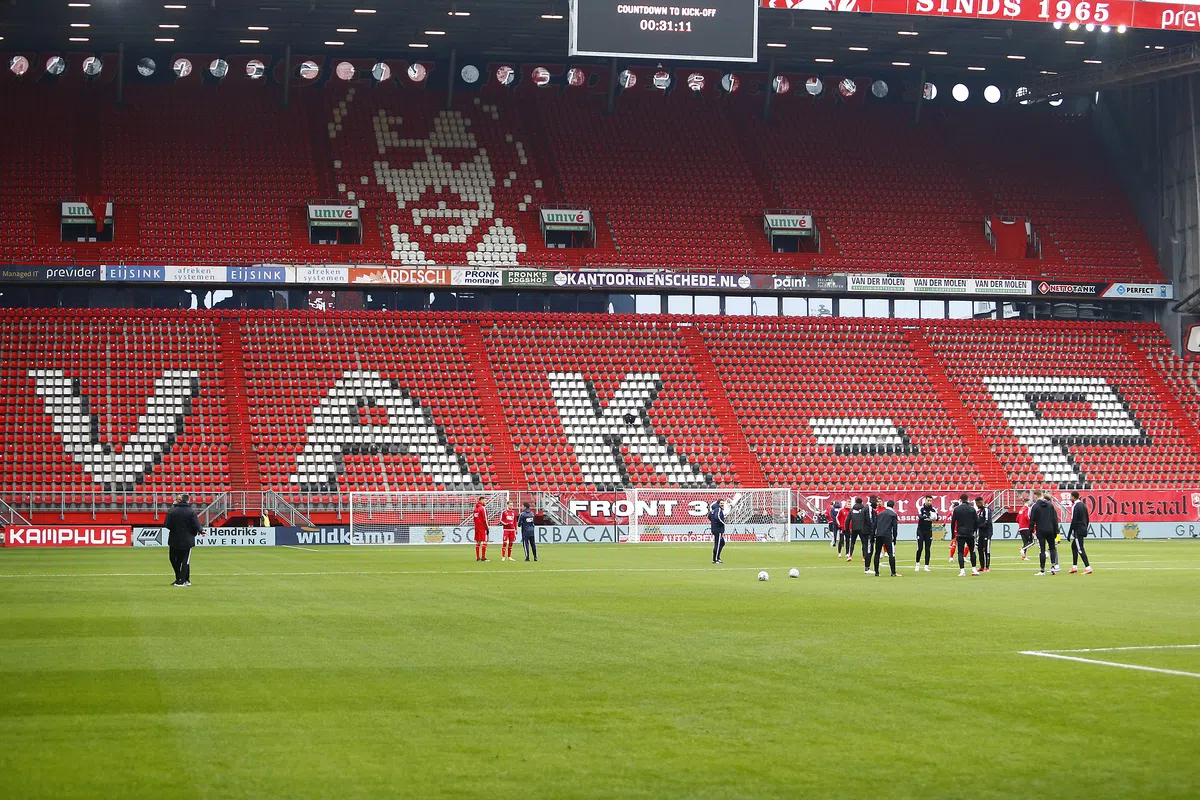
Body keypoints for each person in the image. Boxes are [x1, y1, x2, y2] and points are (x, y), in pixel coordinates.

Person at [165, 494, 202, 587]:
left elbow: (167, 524)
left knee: (174, 559)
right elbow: (196, 524)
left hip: (174, 539)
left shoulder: (172, 511)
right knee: (185, 560)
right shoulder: (191, 511)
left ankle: (180, 579)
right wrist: (201, 531)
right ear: (188, 501)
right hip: (187, 539)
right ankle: (184, 580)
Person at [1029, 489, 1061, 576]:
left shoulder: (1035, 506)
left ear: (1036, 496)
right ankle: (1053, 566)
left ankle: (1042, 570)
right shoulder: (1050, 505)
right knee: (1052, 548)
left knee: (1042, 550)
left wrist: (1030, 531)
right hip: (1050, 530)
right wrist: (1056, 530)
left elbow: (1032, 520)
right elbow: (1055, 519)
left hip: (1041, 530)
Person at [951, 492, 979, 577]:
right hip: (970, 533)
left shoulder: (957, 509)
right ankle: (974, 569)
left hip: (960, 533)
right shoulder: (972, 509)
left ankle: (962, 571)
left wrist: (953, 535)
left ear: (960, 500)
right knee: (972, 551)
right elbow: (976, 522)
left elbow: (953, 523)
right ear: (967, 499)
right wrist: (973, 530)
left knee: (960, 552)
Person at [872, 500, 901, 577]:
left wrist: (873, 536)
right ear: (893, 506)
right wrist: (895, 537)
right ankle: (893, 572)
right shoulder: (893, 514)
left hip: (878, 535)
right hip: (887, 535)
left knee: (877, 553)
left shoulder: (880, 514)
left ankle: (876, 572)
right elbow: (895, 527)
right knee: (891, 553)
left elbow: (874, 526)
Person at [1068, 490, 1092, 574]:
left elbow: (1074, 520)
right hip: (1083, 528)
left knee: (1080, 548)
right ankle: (1074, 566)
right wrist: (1085, 527)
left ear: (1073, 497)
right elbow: (1087, 518)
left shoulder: (1075, 506)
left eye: (1071, 497)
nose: (1070, 498)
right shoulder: (1083, 505)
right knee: (1074, 546)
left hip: (1078, 530)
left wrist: (1070, 532)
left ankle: (1088, 567)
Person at [915, 495, 936, 572]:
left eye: (931, 501)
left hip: (928, 531)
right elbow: (920, 516)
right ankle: (917, 564)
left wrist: (934, 517)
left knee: (928, 548)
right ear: (925, 500)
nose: (929, 502)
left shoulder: (933, 509)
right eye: (928, 500)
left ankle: (926, 566)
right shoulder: (921, 508)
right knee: (920, 548)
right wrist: (926, 516)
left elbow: (937, 517)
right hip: (920, 530)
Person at [846, 497, 870, 567]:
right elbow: (867, 519)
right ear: (861, 502)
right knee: (864, 543)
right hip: (862, 528)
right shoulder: (864, 509)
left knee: (852, 542)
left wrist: (847, 529)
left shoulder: (852, 510)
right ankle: (864, 557)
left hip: (854, 528)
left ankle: (850, 556)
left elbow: (847, 520)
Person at [975, 496, 994, 573]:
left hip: (987, 533)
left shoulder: (986, 509)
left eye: (977, 503)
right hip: (981, 533)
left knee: (987, 550)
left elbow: (987, 522)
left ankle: (987, 567)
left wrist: (978, 526)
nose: (977, 505)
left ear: (980, 502)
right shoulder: (980, 511)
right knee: (980, 549)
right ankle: (982, 566)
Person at [1017, 496, 1034, 561]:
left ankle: (1024, 557)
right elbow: (1027, 516)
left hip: (1021, 528)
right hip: (1026, 528)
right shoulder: (1027, 508)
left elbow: (1017, 519)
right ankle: (1022, 549)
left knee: (1025, 543)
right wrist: (1031, 523)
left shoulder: (1021, 509)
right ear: (1027, 502)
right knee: (1032, 542)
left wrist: (1021, 523)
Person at [710, 498, 726, 564]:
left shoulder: (713, 510)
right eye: (721, 503)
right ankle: (715, 559)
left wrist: (713, 523)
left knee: (722, 543)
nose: (722, 504)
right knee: (718, 544)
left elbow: (709, 516)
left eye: (723, 503)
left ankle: (717, 557)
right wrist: (722, 523)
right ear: (718, 504)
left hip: (715, 528)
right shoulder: (718, 509)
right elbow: (717, 517)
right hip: (718, 529)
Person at [473, 496, 490, 562]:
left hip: (477, 528)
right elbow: (485, 519)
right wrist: (487, 528)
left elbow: (474, 519)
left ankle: (478, 557)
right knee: (485, 541)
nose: (485, 502)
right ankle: (483, 557)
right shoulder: (482, 508)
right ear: (481, 500)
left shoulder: (475, 509)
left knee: (478, 542)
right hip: (482, 528)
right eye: (485, 501)